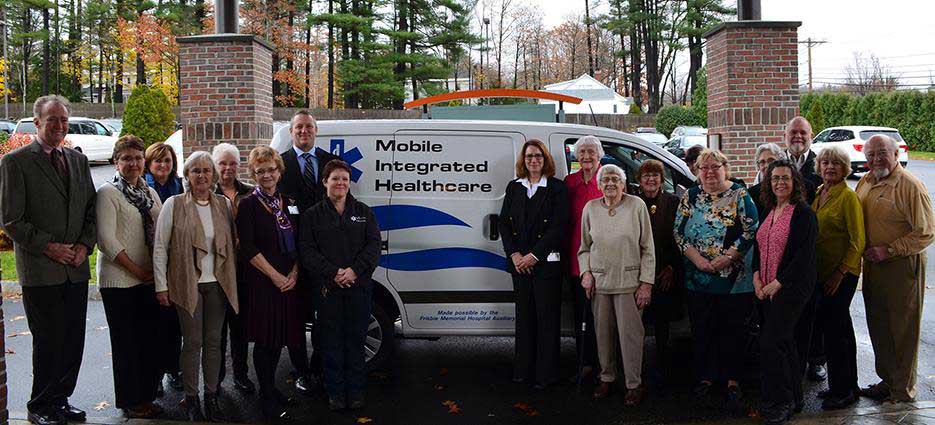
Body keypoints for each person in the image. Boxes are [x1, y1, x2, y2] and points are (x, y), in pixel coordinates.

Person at [0, 95, 96, 425]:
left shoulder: (77, 160)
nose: (59, 126)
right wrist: (50, 247)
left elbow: (90, 211)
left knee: (72, 340)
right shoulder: (16, 162)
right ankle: (39, 406)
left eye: (64, 120)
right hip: (42, 271)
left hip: (75, 269)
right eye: (52, 119)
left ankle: (61, 400)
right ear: (37, 121)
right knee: (48, 342)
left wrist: (85, 245)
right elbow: (11, 220)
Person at [153, 151, 238, 422]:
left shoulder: (224, 204)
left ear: (213, 175)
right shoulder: (173, 204)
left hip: (217, 284)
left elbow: (233, 245)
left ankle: (211, 396)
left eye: (206, 170)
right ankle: (191, 399)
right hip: (186, 283)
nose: (201, 175)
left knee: (214, 343)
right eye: (195, 171)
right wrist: (161, 285)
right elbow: (160, 248)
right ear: (187, 175)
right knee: (192, 343)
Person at [674, 149, 758, 408]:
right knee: (703, 328)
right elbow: (678, 232)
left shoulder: (740, 194)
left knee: (733, 330)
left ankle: (733, 380)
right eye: (704, 168)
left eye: (715, 167)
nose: (709, 172)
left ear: (725, 168)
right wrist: (698, 261)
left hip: (733, 279)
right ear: (697, 172)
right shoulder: (691, 195)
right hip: (698, 278)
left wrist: (728, 257)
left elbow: (751, 227)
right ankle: (706, 377)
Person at [856, 134, 935, 403]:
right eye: (870, 155)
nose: (876, 159)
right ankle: (888, 381)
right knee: (878, 326)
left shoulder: (910, 186)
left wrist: (890, 249)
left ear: (896, 154)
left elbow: (926, 232)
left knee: (903, 330)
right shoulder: (866, 181)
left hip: (902, 266)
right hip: (873, 267)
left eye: (882, 153)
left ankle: (903, 391)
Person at [299, 160, 381, 410]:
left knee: (355, 342)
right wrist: (333, 273)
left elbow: (374, 246)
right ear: (325, 182)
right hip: (328, 290)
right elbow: (307, 251)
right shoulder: (313, 215)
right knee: (330, 343)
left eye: (345, 179)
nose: (341, 183)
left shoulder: (363, 212)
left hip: (358, 288)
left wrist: (354, 271)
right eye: (335, 178)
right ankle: (335, 393)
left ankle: (355, 392)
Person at [96, 136, 164, 418]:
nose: (133, 163)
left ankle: (145, 396)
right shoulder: (108, 193)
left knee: (147, 340)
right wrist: (138, 270)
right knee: (126, 344)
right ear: (116, 162)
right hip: (120, 282)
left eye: (137, 158)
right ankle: (131, 402)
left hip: (147, 280)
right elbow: (106, 240)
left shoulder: (149, 193)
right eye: (126, 158)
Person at [237, 146, 306, 419]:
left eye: (271, 169)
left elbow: (300, 241)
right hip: (263, 282)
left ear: (280, 171)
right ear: (254, 174)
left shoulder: (288, 201)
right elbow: (248, 249)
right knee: (265, 341)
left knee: (279, 339)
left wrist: (295, 273)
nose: (267, 175)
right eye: (261, 170)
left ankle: (272, 388)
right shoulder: (248, 205)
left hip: (289, 282)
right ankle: (266, 394)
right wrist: (276, 276)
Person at [578, 164, 655, 405]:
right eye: (605, 180)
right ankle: (607, 378)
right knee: (603, 335)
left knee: (631, 336)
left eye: (615, 179)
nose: (610, 183)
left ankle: (634, 384)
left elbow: (648, 248)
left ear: (623, 184)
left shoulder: (636, 206)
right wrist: (586, 273)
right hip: (600, 282)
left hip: (629, 283)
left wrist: (646, 283)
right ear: (599, 185)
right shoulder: (590, 208)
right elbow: (584, 248)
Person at [277, 110, 340, 394]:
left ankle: (318, 369)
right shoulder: (279, 164)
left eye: (309, 127)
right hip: (290, 255)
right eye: (299, 127)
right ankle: (301, 370)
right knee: (295, 318)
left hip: (324, 255)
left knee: (324, 318)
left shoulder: (330, 162)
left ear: (316, 131)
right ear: (291, 132)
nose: (304, 131)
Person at [752, 160, 818, 425]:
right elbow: (759, 247)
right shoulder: (770, 209)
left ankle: (782, 403)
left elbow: (803, 256)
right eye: (775, 178)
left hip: (791, 289)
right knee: (785, 343)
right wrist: (757, 278)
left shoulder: (802, 213)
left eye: (785, 178)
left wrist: (778, 283)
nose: (780, 182)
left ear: (795, 183)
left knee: (772, 343)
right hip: (767, 288)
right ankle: (796, 397)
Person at [499, 139, 568, 390]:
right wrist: (515, 255)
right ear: (523, 160)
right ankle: (523, 373)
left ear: (545, 159)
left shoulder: (557, 188)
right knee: (524, 320)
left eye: (538, 156)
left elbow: (559, 227)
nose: (533, 160)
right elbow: (504, 224)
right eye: (529, 156)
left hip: (545, 265)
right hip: (519, 265)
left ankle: (545, 376)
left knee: (547, 322)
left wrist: (534, 256)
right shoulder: (514, 187)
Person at [811, 147, 865, 410]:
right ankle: (847, 385)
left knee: (834, 333)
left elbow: (858, 241)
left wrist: (840, 273)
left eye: (835, 163)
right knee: (841, 330)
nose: (829, 167)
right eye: (825, 162)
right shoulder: (820, 192)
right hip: (822, 274)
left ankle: (842, 392)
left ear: (845, 168)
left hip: (842, 275)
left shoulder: (847, 197)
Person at [782, 116, 826, 382]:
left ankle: (817, 360)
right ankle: (793, 359)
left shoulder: (822, 163)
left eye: (803, 133)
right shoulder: (777, 161)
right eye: (793, 133)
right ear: (785, 135)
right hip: (783, 246)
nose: (797, 137)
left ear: (811, 135)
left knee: (814, 307)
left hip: (811, 243)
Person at [212, 143, 256, 394]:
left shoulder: (250, 192)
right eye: (222, 163)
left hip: (243, 271)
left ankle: (241, 375)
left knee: (240, 329)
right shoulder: (206, 192)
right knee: (216, 330)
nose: (228, 168)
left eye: (232, 163)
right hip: (216, 272)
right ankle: (215, 380)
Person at [634, 160, 682, 387]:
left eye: (655, 175)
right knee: (636, 323)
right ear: (639, 180)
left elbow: (680, 238)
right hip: (637, 273)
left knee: (662, 323)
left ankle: (662, 366)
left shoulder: (674, 202)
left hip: (665, 270)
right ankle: (636, 368)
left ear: (662, 180)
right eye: (646, 175)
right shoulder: (632, 202)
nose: (651, 179)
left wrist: (672, 267)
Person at [144, 142, 185, 394]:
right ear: (149, 164)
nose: (163, 165)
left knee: (174, 324)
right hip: (151, 263)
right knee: (154, 326)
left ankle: (173, 369)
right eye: (158, 161)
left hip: (176, 262)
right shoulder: (144, 188)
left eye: (167, 160)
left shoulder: (179, 186)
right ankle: (155, 375)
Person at [563, 135, 603, 384]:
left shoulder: (608, 179)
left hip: (605, 261)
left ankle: (605, 367)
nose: (586, 156)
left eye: (591, 151)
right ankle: (585, 364)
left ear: (599, 155)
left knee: (604, 318)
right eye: (582, 152)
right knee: (582, 316)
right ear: (576, 156)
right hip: (577, 260)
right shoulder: (570, 182)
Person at [748, 143, 786, 212]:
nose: (767, 166)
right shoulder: (752, 194)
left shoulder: (789, 189)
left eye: (771, 160)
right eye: (762, 162)